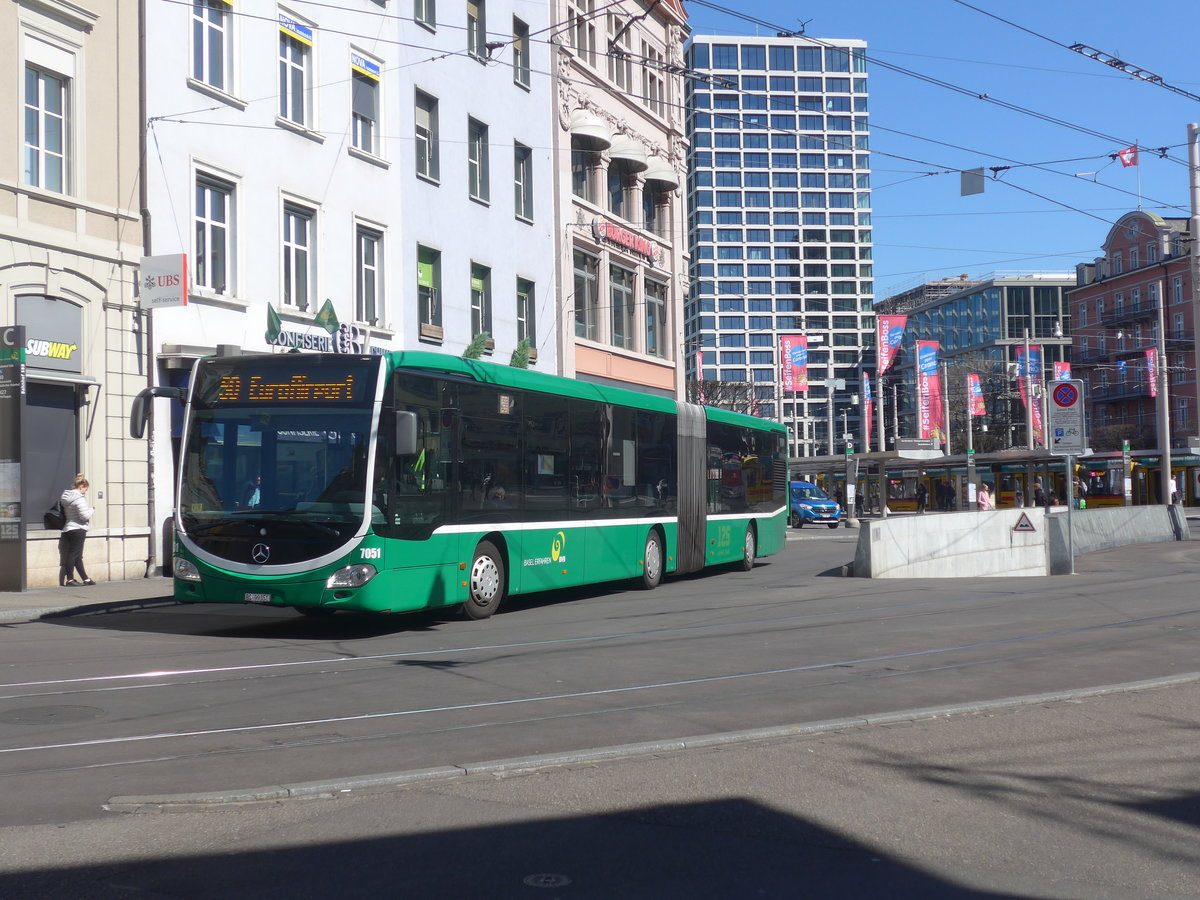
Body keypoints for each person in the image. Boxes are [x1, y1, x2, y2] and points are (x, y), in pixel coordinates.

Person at [59, 473, 95, 586]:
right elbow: (84, 516)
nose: (85, 492)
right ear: (81, 487)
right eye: (85, 489)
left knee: (77, 556)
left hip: (68, 528)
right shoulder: (79, 499)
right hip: (78, 529)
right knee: (74, 555)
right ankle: (70, 579)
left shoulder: (67, 498)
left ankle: (85, 579)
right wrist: (92, 510)